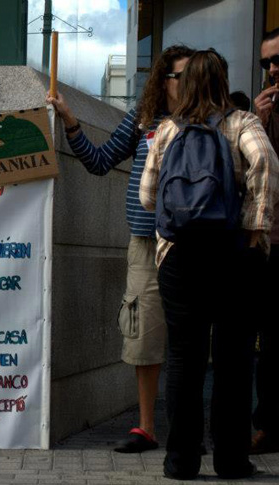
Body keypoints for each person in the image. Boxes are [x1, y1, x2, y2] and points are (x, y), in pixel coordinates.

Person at [47, 45, 194, 453]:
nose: (187, 83)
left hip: (191, 247)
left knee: (190, 342)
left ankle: (188, 430)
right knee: (143, 337)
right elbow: (99, 161)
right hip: (146, 245)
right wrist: (70, 119)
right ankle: (145, 428)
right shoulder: (143, 119)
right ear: (163, 80)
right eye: (180, 75)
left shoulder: (206, 123)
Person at [140, 50, 278, 480]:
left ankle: (180, 461)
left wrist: (172, 228)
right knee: (235, 360)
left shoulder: (167, 129)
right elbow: (266, 165)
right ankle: (231, 460)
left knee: (185, 357)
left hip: (180, 258)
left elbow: (148, 194)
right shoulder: (242, 123)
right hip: (234, 254)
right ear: (221, 80)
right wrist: (254, 227)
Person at [249, 26, 279, 456]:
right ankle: (267, 425)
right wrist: (261, 124)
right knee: (270, 341)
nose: (273, 70)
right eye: (266, 63)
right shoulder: (261, 115)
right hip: (272, 244)